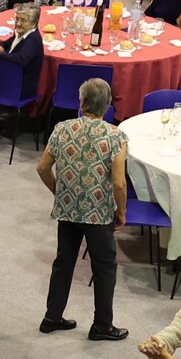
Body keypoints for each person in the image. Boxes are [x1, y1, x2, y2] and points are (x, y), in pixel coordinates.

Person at [35, 76, 129, 341]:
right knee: (104, 268)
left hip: (68, 209)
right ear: (107, 106)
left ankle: (52, 316)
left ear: (82, 102)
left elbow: (42, 168)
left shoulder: (62, 129)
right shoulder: (115, 136)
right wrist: (121, 212)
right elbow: (119, 183)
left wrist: (60, 192)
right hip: (98, 213)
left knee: (63, 262)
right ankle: (102, 325)